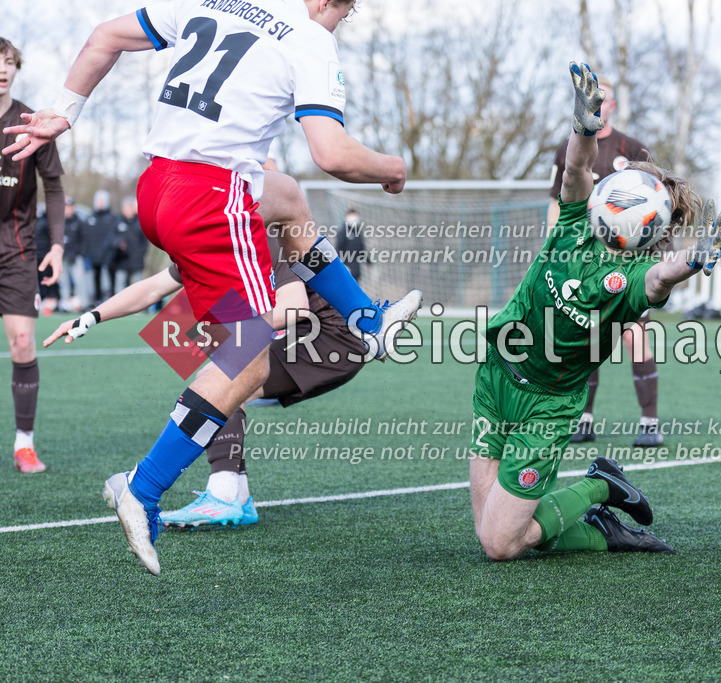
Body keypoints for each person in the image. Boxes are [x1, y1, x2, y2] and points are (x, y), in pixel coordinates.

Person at [4, 0, 421, 575]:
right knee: (246, 362)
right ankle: (143, 489)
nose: (337, 25)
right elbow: (333, 154)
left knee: (286, 196)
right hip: (210, 199)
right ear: (328, 3)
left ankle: (366, 320)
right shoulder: (309, 37)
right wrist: (393, 169)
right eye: (343, 14)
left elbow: (104, 36)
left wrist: (64, 112)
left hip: (157, 187)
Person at [470, 63, 721, 561]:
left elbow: (661, 278)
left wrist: (694, 260)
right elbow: (575, 169)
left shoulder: (631, 279)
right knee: (490, 530)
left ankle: (598, 488)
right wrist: (583, 126)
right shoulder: (574, 220)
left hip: (547, 406)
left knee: (499, 545)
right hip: (496, 375)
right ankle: (604, 524)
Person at [45, 172, 369, 526]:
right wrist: (91, 316)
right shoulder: (207, 238)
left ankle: (224, 495)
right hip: (306, 333)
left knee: (223, 378)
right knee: (212, 361)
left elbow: (294, 307)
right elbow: (152, 288)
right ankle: (237, 498)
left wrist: (223, 329)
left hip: (331, 338)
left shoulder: (261, 235)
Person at [548, 82, 663, 447]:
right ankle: (583, 419)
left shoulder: (632, 148)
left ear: (612, 105)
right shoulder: (567, 149)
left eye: (604, 98)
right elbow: (556, 202)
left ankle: (649, 422)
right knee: (587, 337)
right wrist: (554, 246)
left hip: (628, 258)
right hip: (584, 258)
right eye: (592, 98)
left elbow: (655, 199)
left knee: (633, 335)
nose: (598, 104)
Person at [0, 37, 65, 474]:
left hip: (17, 251)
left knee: (23, 343)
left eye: (9, 62)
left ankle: (24, 444)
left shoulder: (32, 123)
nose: (2, 69)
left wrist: (57, 245)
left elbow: (54, 186)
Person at [81, 190, 118, 306]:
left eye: (102, 200)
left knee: (109, 279)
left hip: (108, 256)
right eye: (98, 200)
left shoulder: (112, 218)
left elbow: (114, 236)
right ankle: (97, 299)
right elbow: (86, 236)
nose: (100, 203)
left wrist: (109, 251)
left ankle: (111, 300)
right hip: (94, 256)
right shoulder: (91, 217)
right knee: (95, 278)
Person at [106, 197, 147, 292]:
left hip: (136, 262)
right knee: (120, 286)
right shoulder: (118, 222)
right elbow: (111, 238)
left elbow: (145, 242)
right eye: (125, 208)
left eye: (129, 208)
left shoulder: (140, 222)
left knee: (137, 287)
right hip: (121, 261)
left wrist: (140, 254)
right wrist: (118, 244)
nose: (127, 211)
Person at [335, 208, 366, 281]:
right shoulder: (343, 231)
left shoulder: (358, 231)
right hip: (346, 264)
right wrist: (341, 264)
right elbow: (339, 248)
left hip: (356, 265)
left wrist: (368, 260)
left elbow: (361, 247)